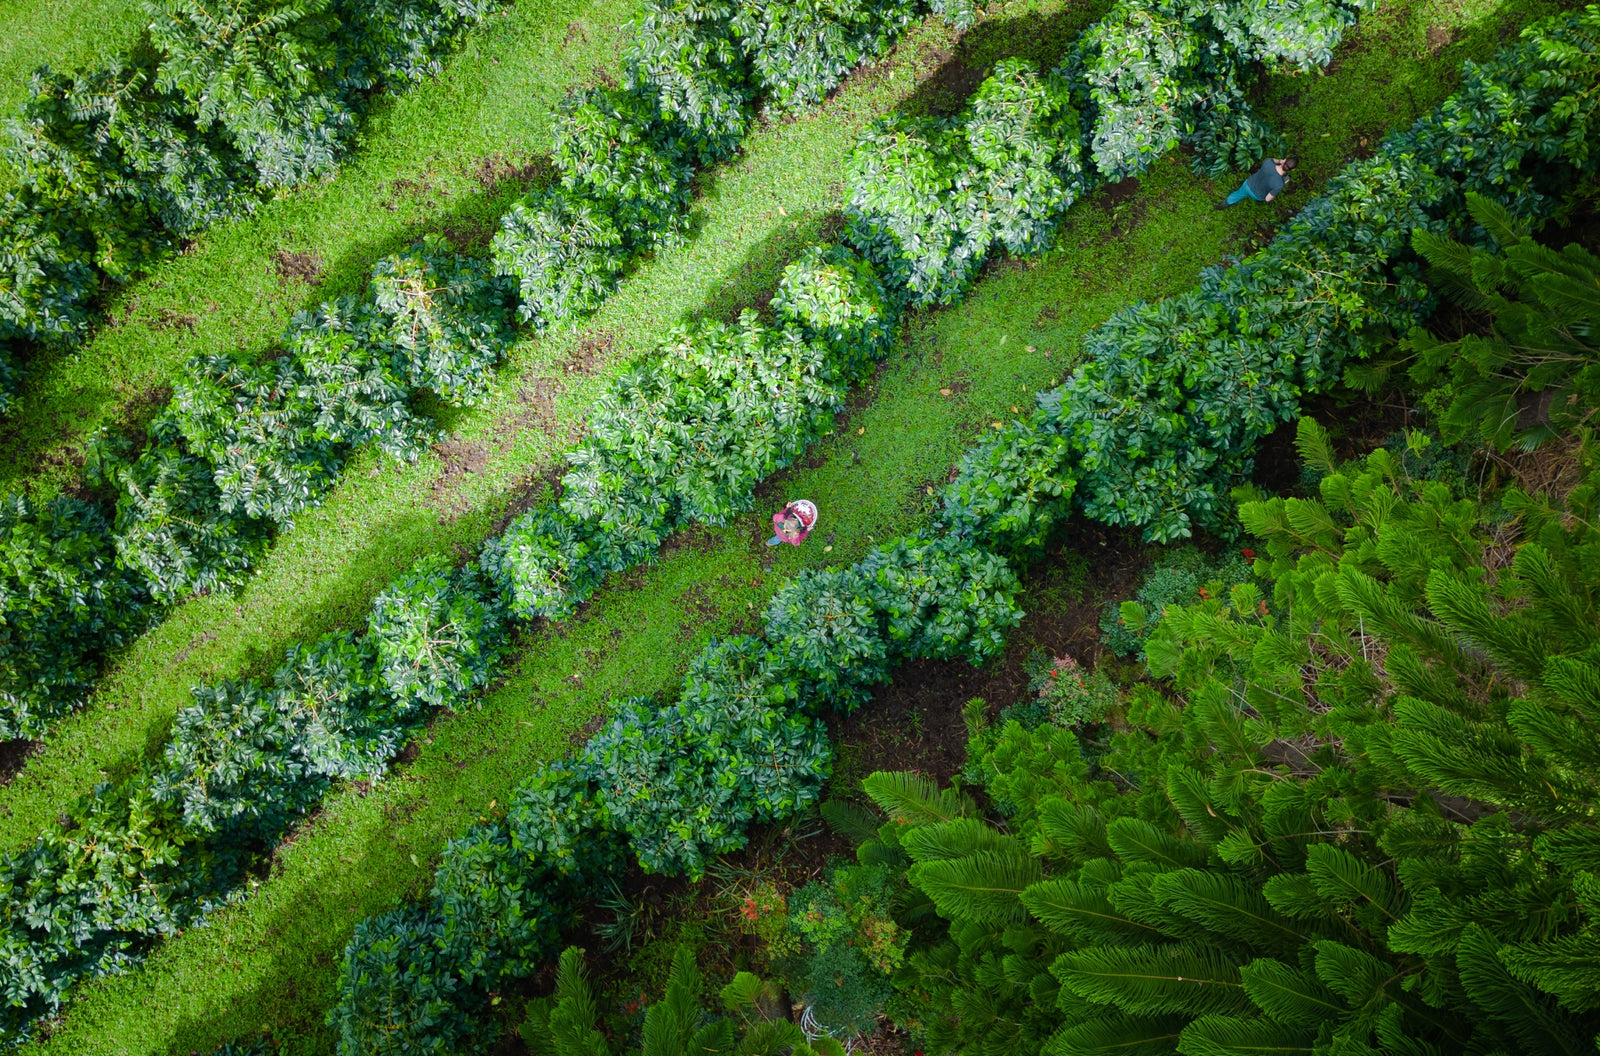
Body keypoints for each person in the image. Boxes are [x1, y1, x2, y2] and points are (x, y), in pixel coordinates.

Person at [1217, 157, 1297, 208]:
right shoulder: (1279, 184)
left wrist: (1280, 161)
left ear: (1285, 160)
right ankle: (1285, 179)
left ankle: (1224, 204)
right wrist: (1282, 184)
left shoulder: (1268, 162)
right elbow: (1267, 199)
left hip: (1248, 184)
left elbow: (1274, 160)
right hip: (1257, 196)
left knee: (1238, 193)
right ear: (1292, 170)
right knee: (1282, 181)